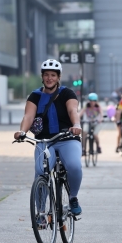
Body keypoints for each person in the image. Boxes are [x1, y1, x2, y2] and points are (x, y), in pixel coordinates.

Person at [13, 59, 82, 216]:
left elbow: (73, 111)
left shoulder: (67, 93)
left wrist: (76, 125)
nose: (49, 78)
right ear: (42, 77)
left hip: (67, 137)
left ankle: (73, 198)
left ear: (58, 77)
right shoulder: (35, 96)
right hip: (44, 141)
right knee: (40, 172)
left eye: (53, 75)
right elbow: (28, 116)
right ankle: (41, 212)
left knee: (74, 166)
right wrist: (22, 131)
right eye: (46, 75)